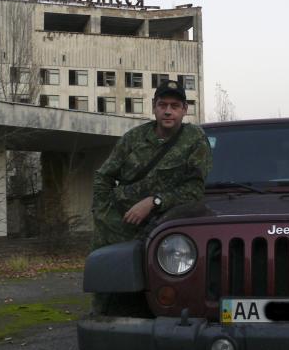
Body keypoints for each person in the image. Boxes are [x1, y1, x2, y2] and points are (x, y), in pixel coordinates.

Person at [91, 79, 212, 250]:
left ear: (184, 109)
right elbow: (103, 176)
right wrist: (102, 214)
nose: (168, 111)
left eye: (174, 106)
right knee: (106, 273)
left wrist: (154, 202)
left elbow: (194, 190)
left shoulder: (194, 139)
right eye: (162, 105)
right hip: (114, 229)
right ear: (154, 107)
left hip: (160, 232)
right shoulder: (133, 138)